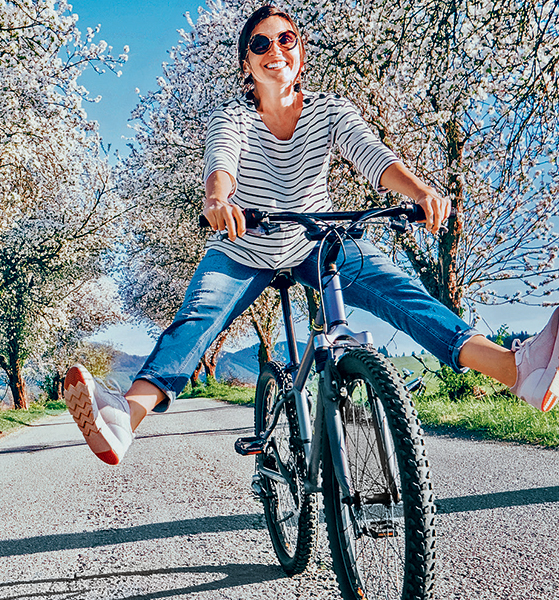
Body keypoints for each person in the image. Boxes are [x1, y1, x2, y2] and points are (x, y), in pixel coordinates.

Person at [64, 4, 559, 466]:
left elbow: (373, 157)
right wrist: (218, 202)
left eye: (287, 39)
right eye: (261, 44)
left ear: (300, 51)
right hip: (243, 247)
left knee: (402, 295)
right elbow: (222, 164)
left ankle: (518, 371)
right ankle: (123, 418)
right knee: (199, 316)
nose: (275, 50)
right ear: (246, 64)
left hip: (315, 241)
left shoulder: (329, 110)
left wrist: (419, 190)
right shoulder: (232, 117)